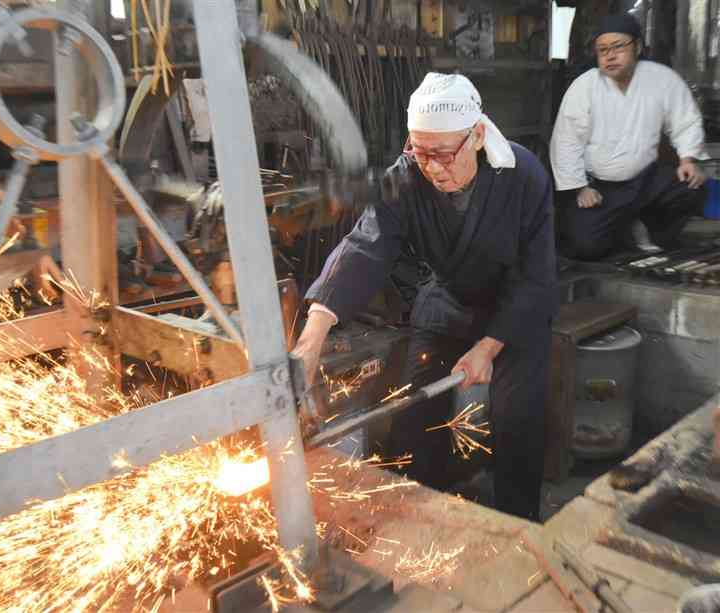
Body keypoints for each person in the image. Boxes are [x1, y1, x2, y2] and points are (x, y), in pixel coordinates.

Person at [293, 73, 558, 522]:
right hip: (450, 298)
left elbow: (536, 278)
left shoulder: (523, 174)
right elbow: (365, 246)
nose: (432, 167)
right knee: (414, 411)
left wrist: (488, 348)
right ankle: (421, 515)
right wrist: (311, 340)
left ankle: (519, 526)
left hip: (515, 311)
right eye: (420, 152)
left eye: (442, 154)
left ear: (476, 136)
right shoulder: (407, 177)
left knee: (516, 419)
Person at [550, 13, 707, 260]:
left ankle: (651, 232)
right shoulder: (585, 86)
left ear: (638, 46)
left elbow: (684, 119)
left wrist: (688, 159)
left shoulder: (660, 78)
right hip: (600, 186)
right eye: (603, 50)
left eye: (618, 47)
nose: (610, 56)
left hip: (645, 180)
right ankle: (626, 228)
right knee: (584, 247)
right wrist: (580, 187)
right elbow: (566, 141)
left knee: (692, 186)